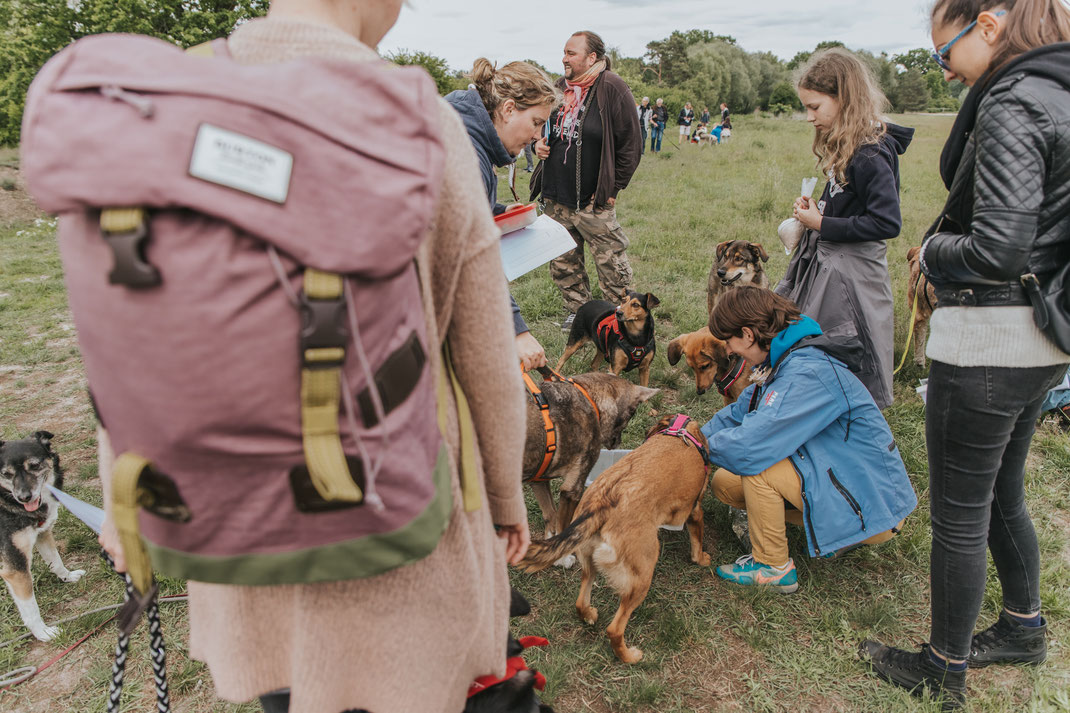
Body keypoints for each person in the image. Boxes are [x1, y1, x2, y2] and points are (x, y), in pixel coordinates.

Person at [96, 2, 531, 712]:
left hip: (242, 539)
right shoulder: (416, 117)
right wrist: (508, 498)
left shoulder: (172, 98)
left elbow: (126, 328)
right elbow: (483, 351)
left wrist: (123, 491)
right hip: (402, 537)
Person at [861, 1, 1070, 709]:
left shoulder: (1014, 99)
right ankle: (1022, 626)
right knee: (1003, 489)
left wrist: (932, 251)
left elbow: (998, 248)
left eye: (943, 51)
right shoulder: (1063, 90)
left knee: (959, 512)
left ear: (989, 25)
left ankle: (943, 666)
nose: (943, 68)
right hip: (1045, 336)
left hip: (990, 337)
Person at [701, 286, 917, 593]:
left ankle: (774, 568)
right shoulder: (784, 359)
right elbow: (739, 412)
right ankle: (829, 531)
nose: (730, 351)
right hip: (840, 477)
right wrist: (689, 435)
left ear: (748, 335)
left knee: (758, 469)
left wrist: (697, 448)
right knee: (725, 482)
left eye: (730, 342)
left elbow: (751, 447)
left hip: (875, 504)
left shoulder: (807, 371)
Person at [775, 48, 914, 409]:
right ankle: (818, 402)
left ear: (844, 99)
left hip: (854, 275)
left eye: (815, 107)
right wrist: (816, 209)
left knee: (849, 343)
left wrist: (821, 223)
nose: (809, 117)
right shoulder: (849, 146)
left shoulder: (871, 154)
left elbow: (886, 222)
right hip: (830, 265)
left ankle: (850, 410)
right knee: (817, 341)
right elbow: (847, 204)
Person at [446, 58, 561, 371]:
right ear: (509, 109)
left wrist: (497, 211)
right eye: (536, 122)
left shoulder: (459, 126)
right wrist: (517, 330)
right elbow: (467, 257)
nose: (538, 136)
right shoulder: (466, 153)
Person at [530, 30, 642, 330]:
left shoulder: (613, 88)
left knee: (611, 263)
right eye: (564, 52)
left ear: (592, 57)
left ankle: (620, 317)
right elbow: (540, 126)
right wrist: (537, 143)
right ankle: (579, 312)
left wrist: (613, 188)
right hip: (555, 195)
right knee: (563, 260)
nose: (564, 58)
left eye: (571, 53)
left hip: (594, 199)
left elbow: (632, 144)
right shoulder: (557, 88)